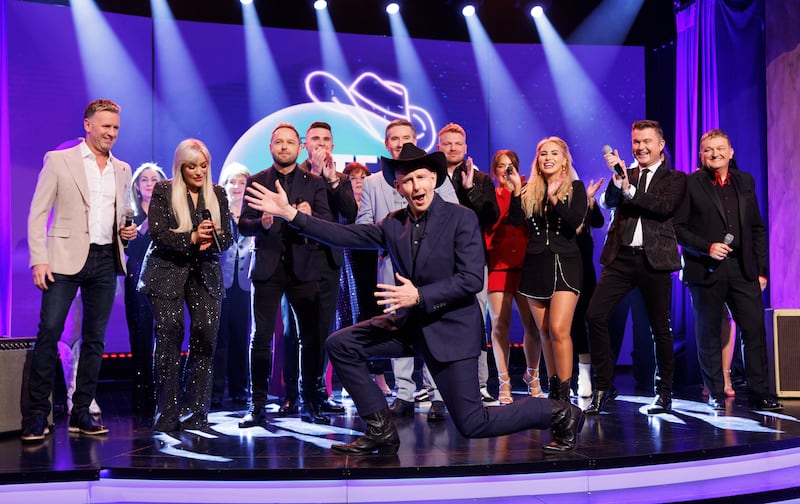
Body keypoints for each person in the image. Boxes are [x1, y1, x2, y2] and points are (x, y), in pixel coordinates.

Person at [245, 142, 584, 455]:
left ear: (434, 179)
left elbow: (469, 279)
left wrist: (419, 295)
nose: (416, 186)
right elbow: (345, 234)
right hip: (412, 326)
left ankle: (561, 413)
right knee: (341, 344)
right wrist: (292, 216)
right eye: (407, 181)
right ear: (398, 188)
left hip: (451, 331)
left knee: (473, 423)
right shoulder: (394, 224)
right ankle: (380, 429)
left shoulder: (460, 218)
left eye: (421, 177)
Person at [23, 99, 137, 441]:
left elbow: (119, 216)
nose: (111, 133)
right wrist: (38, 258)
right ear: (88, 125)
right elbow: (38, 212)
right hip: (63, 259)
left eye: (116, 128)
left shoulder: (122, 169)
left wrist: (125, 234)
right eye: (105, 126)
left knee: (95, 339)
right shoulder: (59, 161)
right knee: (50, 332)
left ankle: (81, 411)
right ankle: (38, 414)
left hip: (104, 259)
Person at [584, 119, 687, 416]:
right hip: (621, 258)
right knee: (595, 315)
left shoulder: (675, 178)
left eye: (646, 142)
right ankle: (604, 387)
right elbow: (607, 202)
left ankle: (663, 392)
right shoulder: (625, 173)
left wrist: (629, 190)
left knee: (660, 329)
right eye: (636, 142)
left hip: (654, 260)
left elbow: (662, 207)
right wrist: (617, 178)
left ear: (660, 145)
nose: (640, 147)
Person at [674, 129, 782, 411]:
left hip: (743, 270)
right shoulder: (690, 183)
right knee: (708, 333)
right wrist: (706, 247)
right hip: (705, 270)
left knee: (754, 331)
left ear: (731, 152)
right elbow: (678, 229)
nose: (715, 154)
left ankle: (760, 393)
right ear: (701, 154)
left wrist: (761, 270)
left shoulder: (745, 181)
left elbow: (757, 228)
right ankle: (716, 394)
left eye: (720, 148)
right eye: (709, 149)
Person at [238, 122, 332, 427]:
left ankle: (311, 402)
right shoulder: (257, 180)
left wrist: (305, 216)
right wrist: (262, 223)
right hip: (267, 267)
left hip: (304, 268)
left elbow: (326, 223)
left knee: (310, 337)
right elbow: (243, 224)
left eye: (290, 142)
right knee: (260, 338)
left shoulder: (314, 182)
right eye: (279, 142)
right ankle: (258, 405)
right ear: (270, 146)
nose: (284, 147)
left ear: (299, 147)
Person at [138, 138, 233, 431]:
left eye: (203, 166)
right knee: (169, 334)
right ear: (181, 166)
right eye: (192, 166)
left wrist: (212, 238)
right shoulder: (164, 190)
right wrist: (192, 237)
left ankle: (196, 411)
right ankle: (166, 412)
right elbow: (158, 234)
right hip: (167, 270)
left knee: (205, 335)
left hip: (204, 271)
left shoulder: (217, 193)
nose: (199, 172)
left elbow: (228, 238)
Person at [356, 119, 445, 422]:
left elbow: (454, 215)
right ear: (386, 144)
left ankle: (437, 395)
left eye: (406, 137)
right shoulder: (373, 182)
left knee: (433, 330)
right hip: (391, 269)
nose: (399, 142)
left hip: (431, 272)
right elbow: (362, 225)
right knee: (399, 329)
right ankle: (404, 394)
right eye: (394, 138)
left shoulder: (430, 178)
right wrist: (384, 236)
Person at [277, 121, 356, 416]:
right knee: (292, 331)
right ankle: (291, 394)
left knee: (322, 330)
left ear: (333, 146)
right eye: (315, 139)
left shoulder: (339, 178)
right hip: (296, 260)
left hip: (327, 261)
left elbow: (350, 213)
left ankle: (317, 392)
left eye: (326, 139)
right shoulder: (292, 175)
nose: (321, 144)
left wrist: (333, 179)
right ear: (303, 145)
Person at [509, 137, 587, 402]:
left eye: (554, 153)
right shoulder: (529, 188)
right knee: (543, 332)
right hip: (535, 265)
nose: (548, 157)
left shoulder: (574, 187)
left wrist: (555, 199)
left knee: (558, 329)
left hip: (565, 263)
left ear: (564, 159)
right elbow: (514, 221)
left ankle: (565, 394)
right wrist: (515, 191)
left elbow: (575, 222)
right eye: (543, 153)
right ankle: (554, 391)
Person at [436, 123, 500, 404]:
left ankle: (481, 385)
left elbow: (490, 218)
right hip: (437, 263)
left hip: (472, 262)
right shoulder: (430, 177)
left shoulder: (481, 178)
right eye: (447, 144)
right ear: (439, 147)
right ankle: (439, 389)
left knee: (476, 323)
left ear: (465, 148)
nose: (452, 148)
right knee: (438, 323)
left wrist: (471, 189)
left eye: (457, 144)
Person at [484, 150, 543, 404]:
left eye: (511, 167)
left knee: (533, 325)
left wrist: (518, 190)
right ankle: (504, 382)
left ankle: (533, 376)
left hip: (526, 264)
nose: (506, 171)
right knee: (499, 325)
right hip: (498, 263)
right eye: (501, 166)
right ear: (494, 171)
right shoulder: (490, 195)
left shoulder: (529, 192)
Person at [340, 162, 393, 397]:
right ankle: (352, 380)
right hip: (350, 270)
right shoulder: (344, 207)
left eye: (363, 177)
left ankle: (380, 378)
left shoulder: (377, 204)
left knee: (377, 318)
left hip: (376, 268)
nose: (359, 182)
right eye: (353, 178)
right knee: (351, 320)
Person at [124, 162, 167, 416]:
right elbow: (128, 250)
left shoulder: (170, 211)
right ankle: (141, 398)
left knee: (165, 338)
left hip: (164, 278)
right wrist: (141, 228)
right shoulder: (130, 214)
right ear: (138, 187)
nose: (150, 183)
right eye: (145, 180)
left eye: (154, 179)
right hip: (137, 277)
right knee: (140, 339)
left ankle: (164, 397)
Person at [211, 162, 253, 409]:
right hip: (221, 281)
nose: (236, 187)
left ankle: (240, 389)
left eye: (241, 182)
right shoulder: (216, 212)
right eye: (231, 182)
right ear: (223, 185)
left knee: (241, 337)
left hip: (247, 283)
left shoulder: (253, 211)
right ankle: (215, 391)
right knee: (219, 338)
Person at [572, 178, 605, 398]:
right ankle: (561, 377)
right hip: (554, 266)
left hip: (583, 269)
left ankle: (585, 374)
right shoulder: (543, 193)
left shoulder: (579, 195)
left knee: (582, 320)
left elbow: (599, 221)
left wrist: (589, 201)